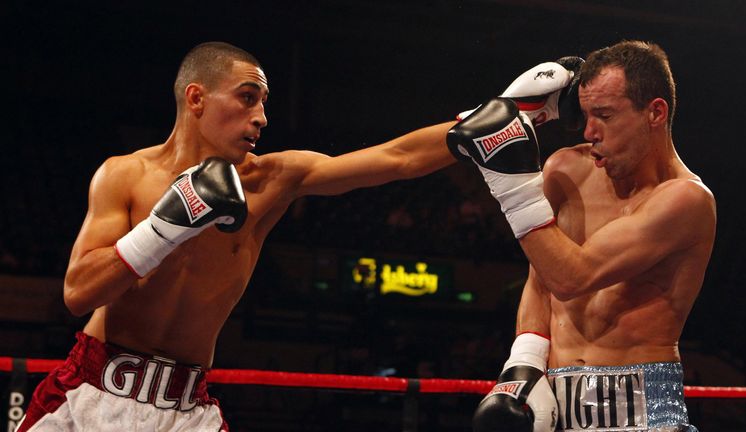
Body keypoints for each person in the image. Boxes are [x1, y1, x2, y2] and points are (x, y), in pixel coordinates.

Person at [16, 41, 457, 431]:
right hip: (89, 392)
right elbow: (77, 293)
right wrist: (162, 229)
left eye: (264, 103)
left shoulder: (271, 180)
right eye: (247, 98)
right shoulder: (125, 174)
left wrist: (493, 120)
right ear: (197, 98)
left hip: (185, 410)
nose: (261, 117)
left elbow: (397, 157)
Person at [458, 41, 715, 431]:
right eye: (586, 114)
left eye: (605, 115)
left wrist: (510, 182)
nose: (590, 131)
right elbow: (541, 280)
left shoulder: (685, 201)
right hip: (561, 408)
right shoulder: (567, 169)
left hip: (644, 414)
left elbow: (571, 277)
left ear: (655, 113)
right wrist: (525, 363)